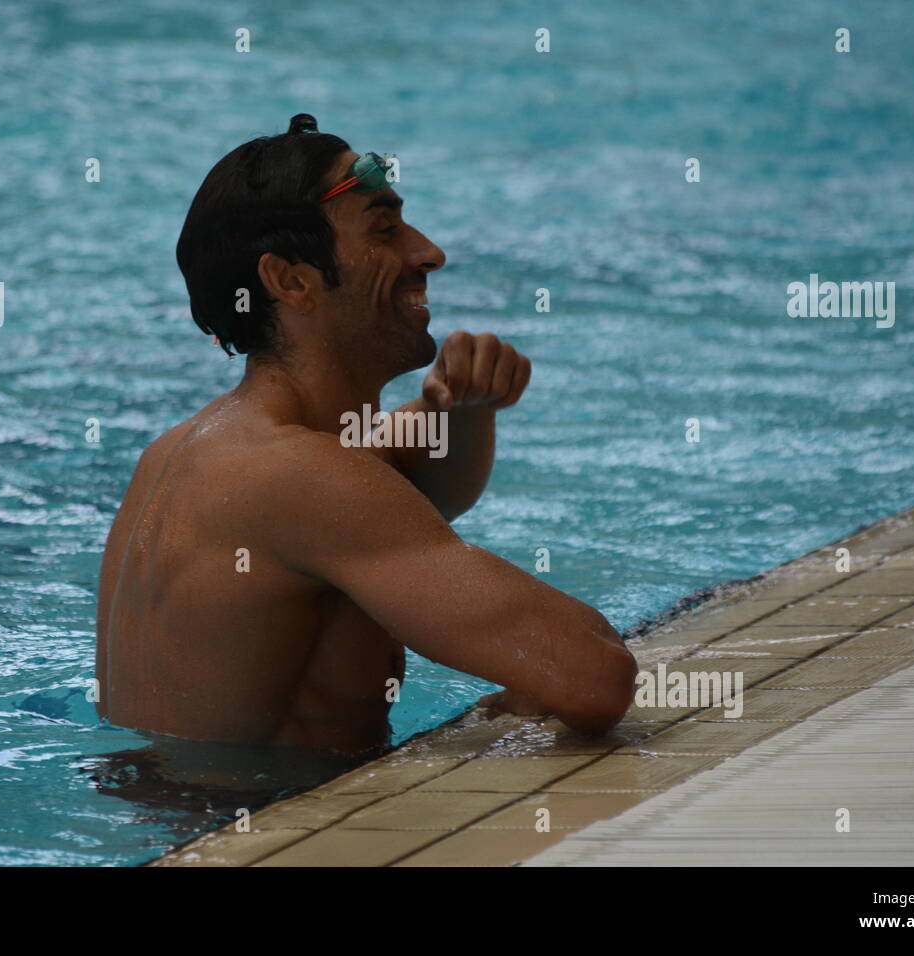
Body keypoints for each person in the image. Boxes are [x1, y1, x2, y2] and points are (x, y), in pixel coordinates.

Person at [96, 114, 637, 756]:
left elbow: (412, 480)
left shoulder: (195, 449)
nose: (428, 252)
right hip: (273, 835)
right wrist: (537, 680)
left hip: (181, 825)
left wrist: (460, 408)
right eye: (385, 230)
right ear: (292, 280)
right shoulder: (301, 479)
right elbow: (595, 676)